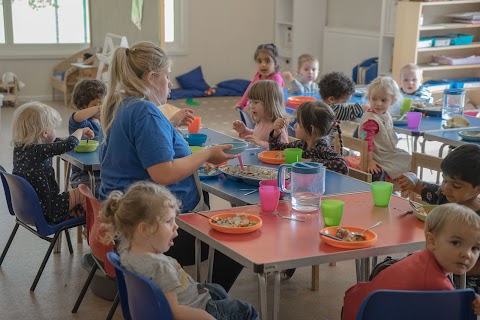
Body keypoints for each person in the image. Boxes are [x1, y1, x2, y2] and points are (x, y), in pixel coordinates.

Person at [99, 41, 242, 292]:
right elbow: (163, 173)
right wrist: (207, 153)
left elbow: (142, 149)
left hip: (130, 222)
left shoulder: (123, 104)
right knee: (238, 236)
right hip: (156, 228)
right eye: (167, 76)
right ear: (152, 77)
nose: (170, 84)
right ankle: (208, 300)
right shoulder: (144, 112)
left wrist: (169, 127)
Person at [100, 181, 259, 320]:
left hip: (191, 296)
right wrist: (207, 317)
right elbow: (174, 312)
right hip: (198, 308)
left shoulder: (125, 250)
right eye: (169, 221)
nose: (176, 226)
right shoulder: (160, 268)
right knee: (246, 310)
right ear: (144, 229)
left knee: (217, 290)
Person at [342, 203, 480, 320]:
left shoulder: (420, 259)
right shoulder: (439, 287)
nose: (467, 254)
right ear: (432, 241)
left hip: (356, 309)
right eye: (456, 243)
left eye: (475, 248)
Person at [399, 144, 480, 292]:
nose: (446, 188)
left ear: (478, 188)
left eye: (456, 185)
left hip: (468, 278)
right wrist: (411, 178)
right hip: (437, 267)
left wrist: (448, 263)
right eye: (444, 180)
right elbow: (418, 184)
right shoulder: (443, 197)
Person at [11, 101, 94, 224]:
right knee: (83, 192)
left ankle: (83, 219)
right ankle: (98, 230)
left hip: (28, 210)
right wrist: (80, 131)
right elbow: (69, 144)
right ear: (45, 133)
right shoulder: (39, 151)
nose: (55, 131)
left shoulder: (20, 149)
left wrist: (74, 138)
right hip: (48, 211)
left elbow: (58, 142)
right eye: (54, 128)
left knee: (75, 199)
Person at [270, 101, 348, 174]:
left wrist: (309, 161)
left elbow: (342, 167)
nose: (295, 125)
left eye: (299, 123)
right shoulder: (300, 145)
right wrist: (276, 132)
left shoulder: (323, 149)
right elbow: (275, 150)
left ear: (312, 129)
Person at [358, 76, 411, 182]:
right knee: (380, 171)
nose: (378, 103)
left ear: (392, 100)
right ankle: (384, 189)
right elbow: (367, 143)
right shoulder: (371, 120)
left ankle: (405, 187)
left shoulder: (384, 114)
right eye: (374, 99)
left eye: (383, 100)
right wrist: (370, 161)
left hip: (387, 152)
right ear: (369, 98)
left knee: (409, 158)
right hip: (376, 156)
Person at [69, 79, 107, 196]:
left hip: (101, 172)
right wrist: (101, 108)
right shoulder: (82, 123)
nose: (101, 107)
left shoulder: (103, 122)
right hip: (82, 175)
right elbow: (76, 117)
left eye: (103, 102)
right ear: (84, 106)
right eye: (97, 103)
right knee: (100, 193)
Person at [232, 80, 290, 148]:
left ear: (270, 104)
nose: (251, 106)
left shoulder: (278, 126)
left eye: (256, 102)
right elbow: (258, 136)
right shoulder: (262, 120)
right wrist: (245, 131)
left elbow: (283, 148)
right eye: (250, 102)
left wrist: (260, 143)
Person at [235, 43, 285, 110]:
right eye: (259, 61)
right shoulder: (258, 75)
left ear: (275, 63)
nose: (263, 65)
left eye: (267, 61)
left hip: (271, 110)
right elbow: (249, 90)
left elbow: (273, 100)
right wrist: (241, 103)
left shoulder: (276, 78)